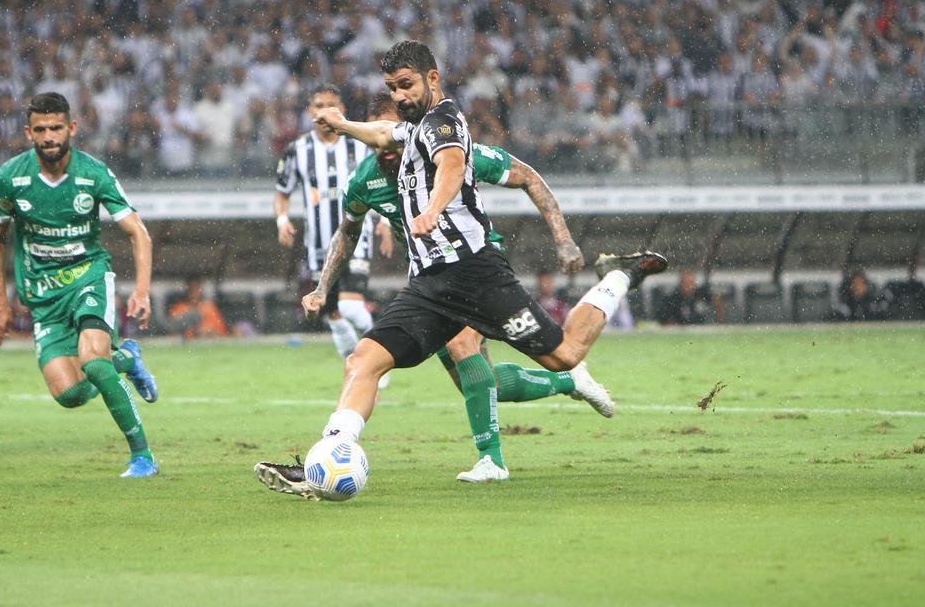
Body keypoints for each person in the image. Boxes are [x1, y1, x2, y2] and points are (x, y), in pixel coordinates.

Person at [261, 41, 666, 486]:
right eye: (393, 88)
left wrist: (433, 208)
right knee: (363, 359)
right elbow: (382, 134)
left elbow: (451, 166)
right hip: (429, 286)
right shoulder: (408, 130)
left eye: (407, 85)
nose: (400, 96)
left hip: (476, 274)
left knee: (565, 355)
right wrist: (341, 123)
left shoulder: (444, 122)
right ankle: (332, 452)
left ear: (432, 79)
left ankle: (617, 277)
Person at [0, 91, 161, 478]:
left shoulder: (93, 173)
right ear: (28, 133)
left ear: (72, 129)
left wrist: (142, 290)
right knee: (69, 394)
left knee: (95, 364)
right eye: (41, 129)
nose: (49, 136)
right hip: (43, 295)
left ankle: (142, 456)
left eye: (56, 128)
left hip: (89, 277)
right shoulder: (10, 178)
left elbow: (138, 232)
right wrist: (0, 303)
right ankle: (128, 359)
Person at [274, 86, 390, 367]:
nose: (323, 110)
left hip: (356, 239)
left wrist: (385, 221)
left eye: (330, 105)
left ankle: (379, 354)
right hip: (318, 246)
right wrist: (282, 220)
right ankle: (358, 365)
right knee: (330, 310)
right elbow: (282, 191)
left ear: (341, 111)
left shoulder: (360, 145)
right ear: (309, 111)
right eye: (318, 105)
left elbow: (384, 181)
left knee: (349, 305)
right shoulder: (296, 150)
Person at [656, 269, 721, 326]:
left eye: (691, 282)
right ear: (680, 284)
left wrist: (719, 321)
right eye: (686, 283)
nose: (688, 286)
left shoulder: (701, 295)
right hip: (681, 334)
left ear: (695, 283)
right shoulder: (672, 299)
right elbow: (664, 320)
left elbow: (717, 302)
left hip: (702, 331)